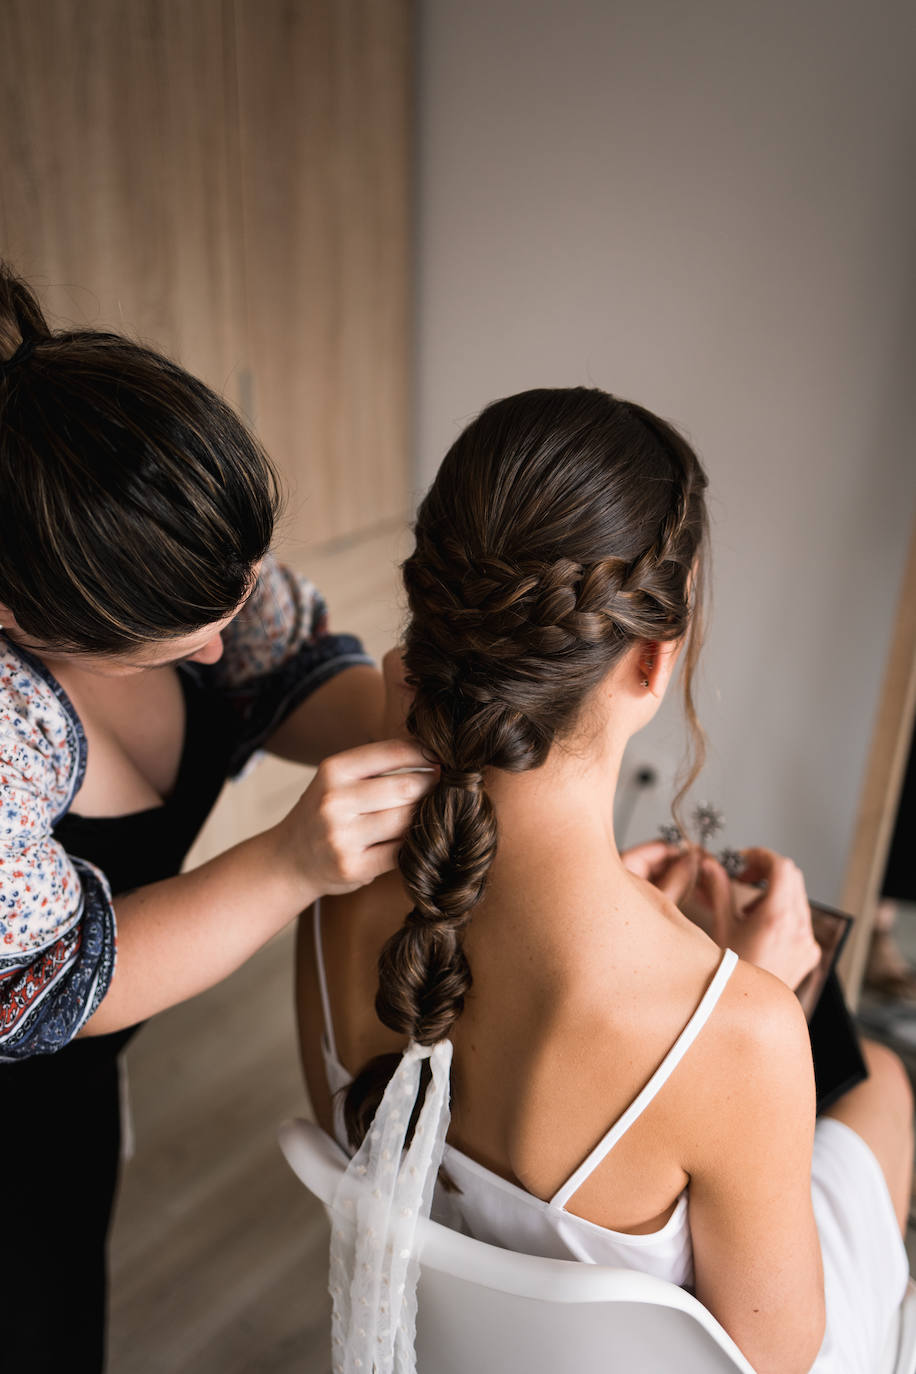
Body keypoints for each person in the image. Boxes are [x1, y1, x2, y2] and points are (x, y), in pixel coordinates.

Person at [296, 388, 914, 1374]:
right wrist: (758, 1012)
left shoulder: (329, 888)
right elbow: (775, 1359)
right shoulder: (742, 1039)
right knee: (880, 1086)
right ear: (653, 659)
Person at [0, 263, 435, 1372]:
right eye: (183, 635)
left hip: (75, 1099)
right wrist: (288, 863)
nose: (218, 642)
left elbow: (289, 675)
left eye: (234, 593)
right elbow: (65, 980)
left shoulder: (179, 569)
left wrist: (425, 728)